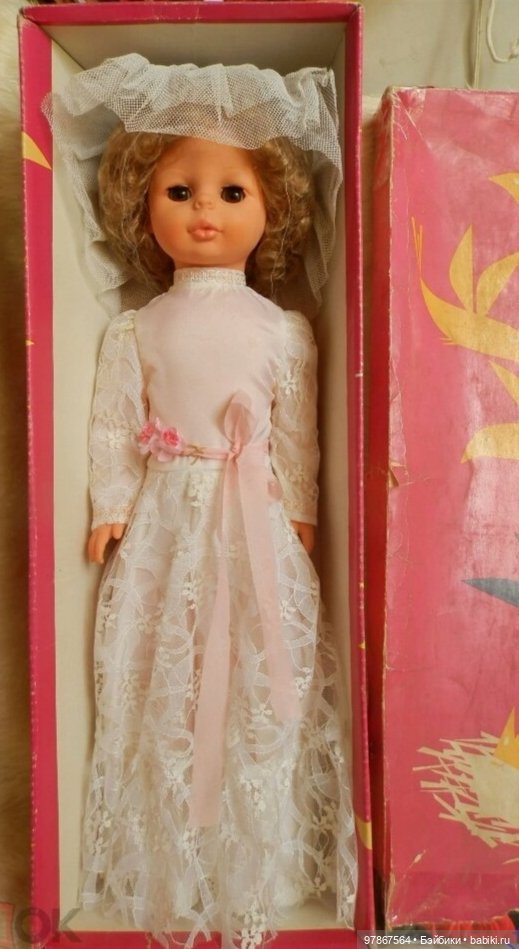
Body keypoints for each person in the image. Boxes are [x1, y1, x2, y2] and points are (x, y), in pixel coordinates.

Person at [45, 58, 357, 949]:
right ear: (142, 204)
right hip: (168, 518)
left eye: (231, 191)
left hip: (254, 517)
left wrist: (299, 506)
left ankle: (262, 855)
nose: (204, 211)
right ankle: (171, 852)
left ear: (273, 206)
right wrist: (111, 502)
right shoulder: (134, 327)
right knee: (164, 667)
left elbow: (297, 430)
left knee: (259, 672)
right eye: (179, 191)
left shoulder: (282, 328)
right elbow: (115, 423)